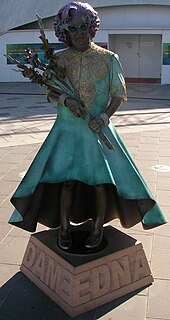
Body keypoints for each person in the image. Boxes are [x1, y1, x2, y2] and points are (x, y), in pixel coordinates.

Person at [9, 2, 166, 250]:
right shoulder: (58, 60)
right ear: (65, 32)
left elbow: (118, 93)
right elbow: (49, 92)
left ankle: (97, 227)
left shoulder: (109, 59)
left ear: (92, 27)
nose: (79, 33)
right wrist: (65, 99)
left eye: (84, 26)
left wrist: (103, 117)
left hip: (97, 130)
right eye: (72, 28)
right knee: (65, 181)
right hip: (67, 131)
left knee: (101, 182)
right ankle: (63, 227)